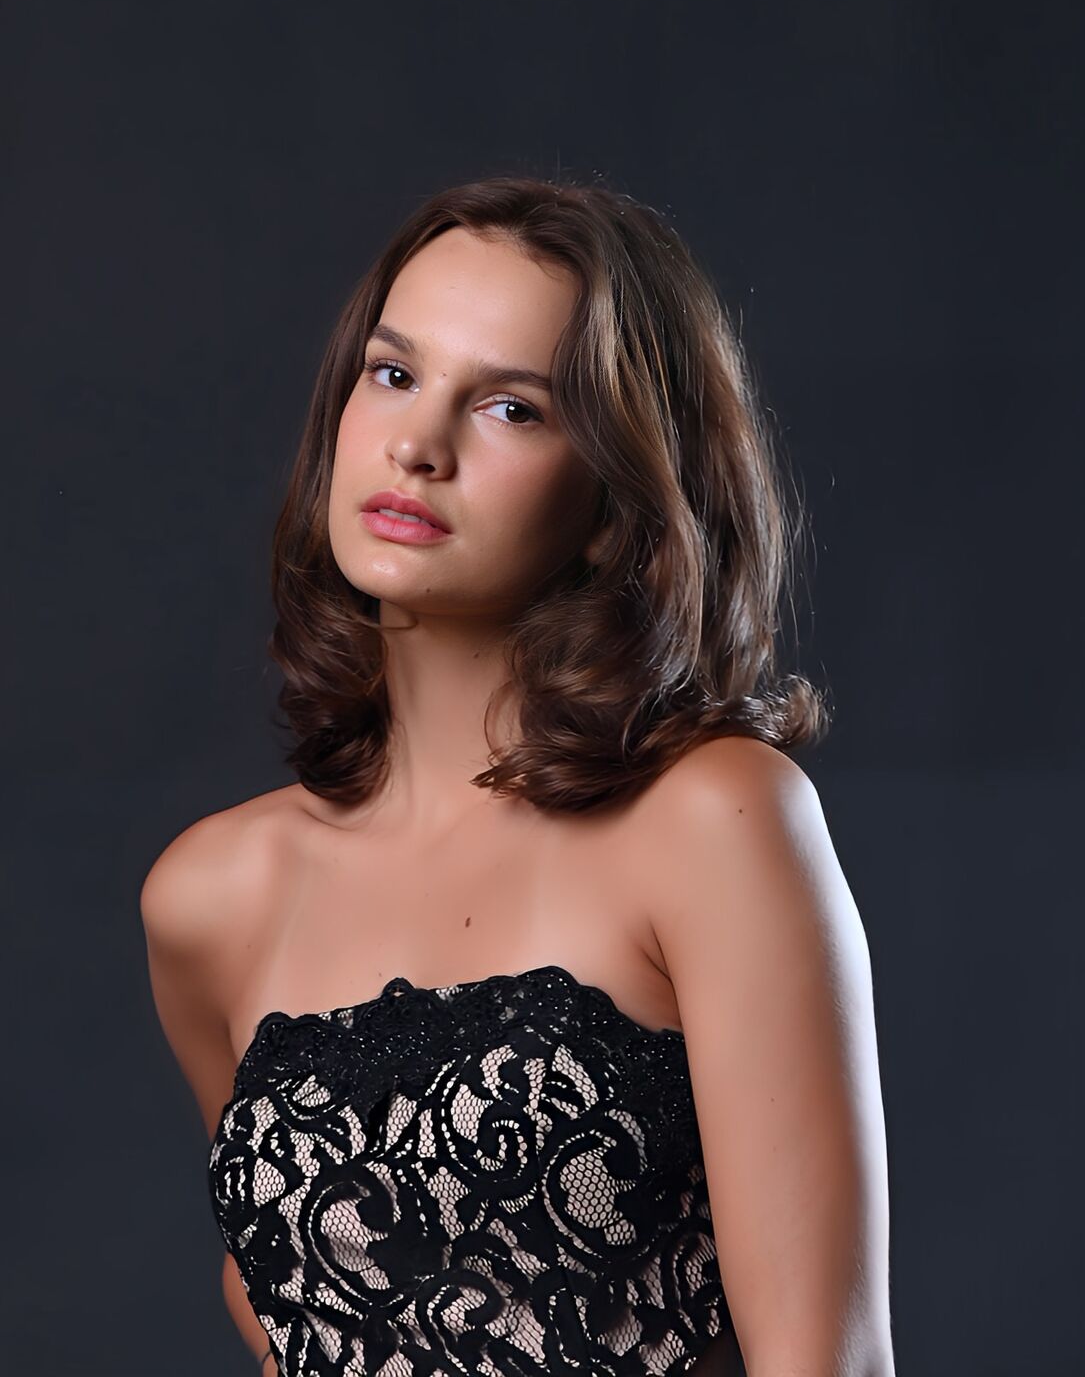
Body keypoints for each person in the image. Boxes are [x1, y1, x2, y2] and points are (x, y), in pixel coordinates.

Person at [140, 174, 895, 1377]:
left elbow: (826, 1360)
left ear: (611, 500)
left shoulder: (713, 822)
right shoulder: (214, 894)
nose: (416, 446)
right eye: (393, 374)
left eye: (510, 408)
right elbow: (282, 1303)